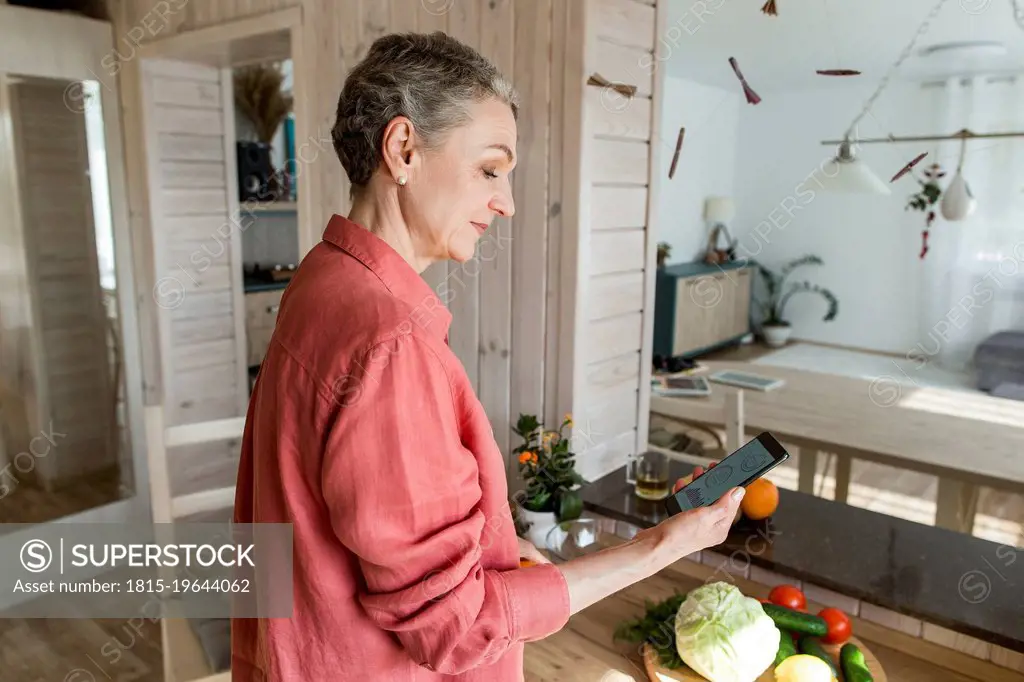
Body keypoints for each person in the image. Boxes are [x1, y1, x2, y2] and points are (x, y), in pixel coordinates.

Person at [231, 31, 745, 681]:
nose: (504, 203)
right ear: (403, 149)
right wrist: (660, 547)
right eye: (490, 169)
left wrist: (496, 547)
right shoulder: (390, 342)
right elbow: (459, 629)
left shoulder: (322, 279)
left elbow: (363, 521)